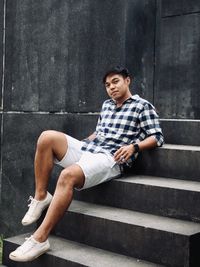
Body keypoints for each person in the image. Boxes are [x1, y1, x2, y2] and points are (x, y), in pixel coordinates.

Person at [9, 66, 164, 262]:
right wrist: (79, 144)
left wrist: (134, 147)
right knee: (46, 137)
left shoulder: (142, 106)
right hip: (90, 149)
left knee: (67, 176)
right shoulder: (107, 105)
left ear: (127, 81)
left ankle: (40, 239)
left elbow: (157, 137)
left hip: (111, 157)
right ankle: (41, 196)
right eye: (107, 85)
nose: (111, 88)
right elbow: (98, 133)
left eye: (115, 81)